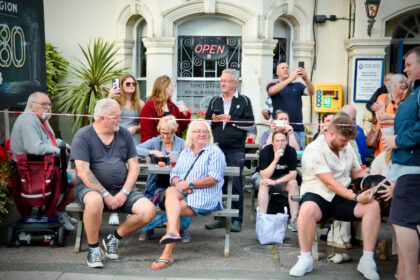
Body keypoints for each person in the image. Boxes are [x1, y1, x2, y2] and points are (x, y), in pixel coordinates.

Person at [289, 115, 381, 279]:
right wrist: (355, 198)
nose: (345, 144)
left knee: (372, 206)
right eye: (343, 140)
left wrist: (371, 181)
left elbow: (356, 172)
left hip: (342, 195)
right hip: (318, 193)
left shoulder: (348, 146)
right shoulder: (313, 149)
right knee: (307, 209)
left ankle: (367, 260)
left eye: (348, 141)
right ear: (331, 133)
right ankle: (305, 258)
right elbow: (330, 182)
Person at [70, 98, 156, 268]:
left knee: (149, 210)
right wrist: (105, 195)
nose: (120, 120)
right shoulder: (83, 135)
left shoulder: (123, 134)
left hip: (121, 188)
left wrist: (124, 192)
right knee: (94, 202)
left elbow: (134, 166)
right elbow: (83, 171)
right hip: (90, 189)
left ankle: (113, 238)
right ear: (101, 117)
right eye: (116, 117)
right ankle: (93, 249)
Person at [151, 120, 226, 270]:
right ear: (190, 134)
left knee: (174, 208)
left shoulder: (215, 152)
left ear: (209, 135)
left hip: (205, 197)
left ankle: (167, 254)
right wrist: (179, 183)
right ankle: (172, 232)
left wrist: (190, 184)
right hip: (182, 193)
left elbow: (214, 178)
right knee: (171, 191)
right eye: (197, 131)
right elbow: (174, 174)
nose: (201, 134)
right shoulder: (185, 152)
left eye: (205, 131)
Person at [10, 92, 77, 231]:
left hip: (42, 168)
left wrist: (65, 145)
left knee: (78, 174)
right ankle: (59, 211)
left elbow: (49, 141)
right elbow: (35, 147)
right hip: (33, 172)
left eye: (49, 104)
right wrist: (59, 151)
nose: (47, 107)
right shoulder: (28, 119)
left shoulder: (40, 118)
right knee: (81, 179)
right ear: (31, 106)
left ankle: (59, 211)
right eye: (43, 104)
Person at [382, 46, 420, 280]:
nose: (405, 70)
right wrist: (395, 119)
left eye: (409, 65)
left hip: (412, 169)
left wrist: (397, 140)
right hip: (409, 168)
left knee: (404, 223)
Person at [204, 68, 255, 232]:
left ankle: (237, 219)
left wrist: (231, 119)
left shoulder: (244, 101)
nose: (222, 84)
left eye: (225, 81)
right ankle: (219, 217)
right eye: (221, 81)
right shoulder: (215, 101)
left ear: (235, 83)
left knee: (236, 183)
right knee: (217, 182)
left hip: (235, 148)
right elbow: (206, 123)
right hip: (216, 148)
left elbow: (250, 124)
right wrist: (212, 121)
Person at [136, 115, 191, 242]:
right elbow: (134, 149)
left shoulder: (182, 144)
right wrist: (151, 152)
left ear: (174, 131)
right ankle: (148, 228)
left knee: (180, 202)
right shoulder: (155, 142)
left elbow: (192, 158)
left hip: (176, 184)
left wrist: (180, 160)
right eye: (162, 133)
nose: (165, 136)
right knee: (151, 201)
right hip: (157, 183)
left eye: (168, 133)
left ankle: (180, 229)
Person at [108, 73, 145, 226]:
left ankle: (131, 209)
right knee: (116, 174)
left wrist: (136, 127)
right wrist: (109, 97)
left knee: (132, 173)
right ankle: (114, 211)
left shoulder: (140, 103)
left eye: (133, 84)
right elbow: (102, 117)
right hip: (115, 139)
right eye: (128, 84)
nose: (131, 86)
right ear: (121, 85)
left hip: (133, 140)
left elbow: (147, 125)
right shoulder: (114, 101)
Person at [257, 131, 299, 231]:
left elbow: (293, 174)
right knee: (264, 183)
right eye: (277, 141)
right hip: (267, 177)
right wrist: (275, 160)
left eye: (283, 141)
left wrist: (276, 182)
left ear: (286, 141)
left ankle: (294, 219)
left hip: (281, 179)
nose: (280, 144)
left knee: (293, 183)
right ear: (272, 142)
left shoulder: (291, 151)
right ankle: (262, 218)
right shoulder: (266, 151)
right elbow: (264, 175)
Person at [266, 62, 315, 147]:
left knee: (298, 156)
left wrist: (306, 78)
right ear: (277, 72)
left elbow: (311, 92)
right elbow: (271, 91)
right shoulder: (272, 84)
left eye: (287, 68)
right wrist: (291, 78)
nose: (286, 69)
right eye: (283, 68)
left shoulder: (298, 85)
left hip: (297, 129)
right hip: (279, 129)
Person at [140, 75, 191, 142]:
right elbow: (146, 133)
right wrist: (151, 149)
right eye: (171, 86)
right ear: (165, 87)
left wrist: (185, 114)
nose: (173, 89)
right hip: (158, 145)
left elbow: (182, 127)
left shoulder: (172, 105)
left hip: (174, 144)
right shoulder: (149, 106)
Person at [372, 74, 409, 157]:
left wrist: (390, 117)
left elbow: (410, 119)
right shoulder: (383, 97)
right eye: (401, 82)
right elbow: (381, 119)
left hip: (400, 139)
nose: (404, 85)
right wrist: (400, 119)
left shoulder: (407, 98)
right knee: (383, 164)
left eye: (405, 82)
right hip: (384, 139)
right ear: (392, 84)